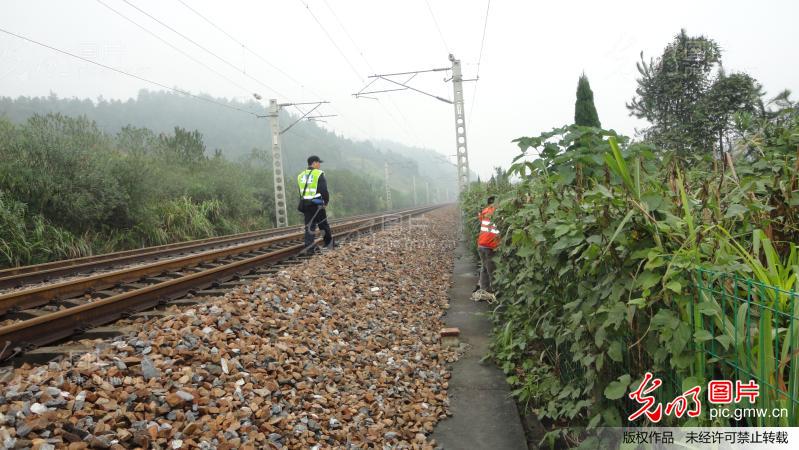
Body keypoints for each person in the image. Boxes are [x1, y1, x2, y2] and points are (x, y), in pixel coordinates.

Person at [297, 155, 334, 253]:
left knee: (309, 226)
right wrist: (325, 202)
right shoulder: (318, 174)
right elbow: (323, 190)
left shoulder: (301, 175)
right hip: (317, 203)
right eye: (318, 163)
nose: (319, 165)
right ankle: (329, 244)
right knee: (323, 224)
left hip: (305, 203)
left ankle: (309, 248)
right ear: (314, 163)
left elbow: (301, 191)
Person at [473, 195, 499, 302]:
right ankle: (495, 293)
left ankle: (484, 290)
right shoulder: (496, 213)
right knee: (491, 269)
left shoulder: (484, 212)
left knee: (484, 267)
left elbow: (480, 218)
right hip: (489, 246)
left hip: (481, 245)